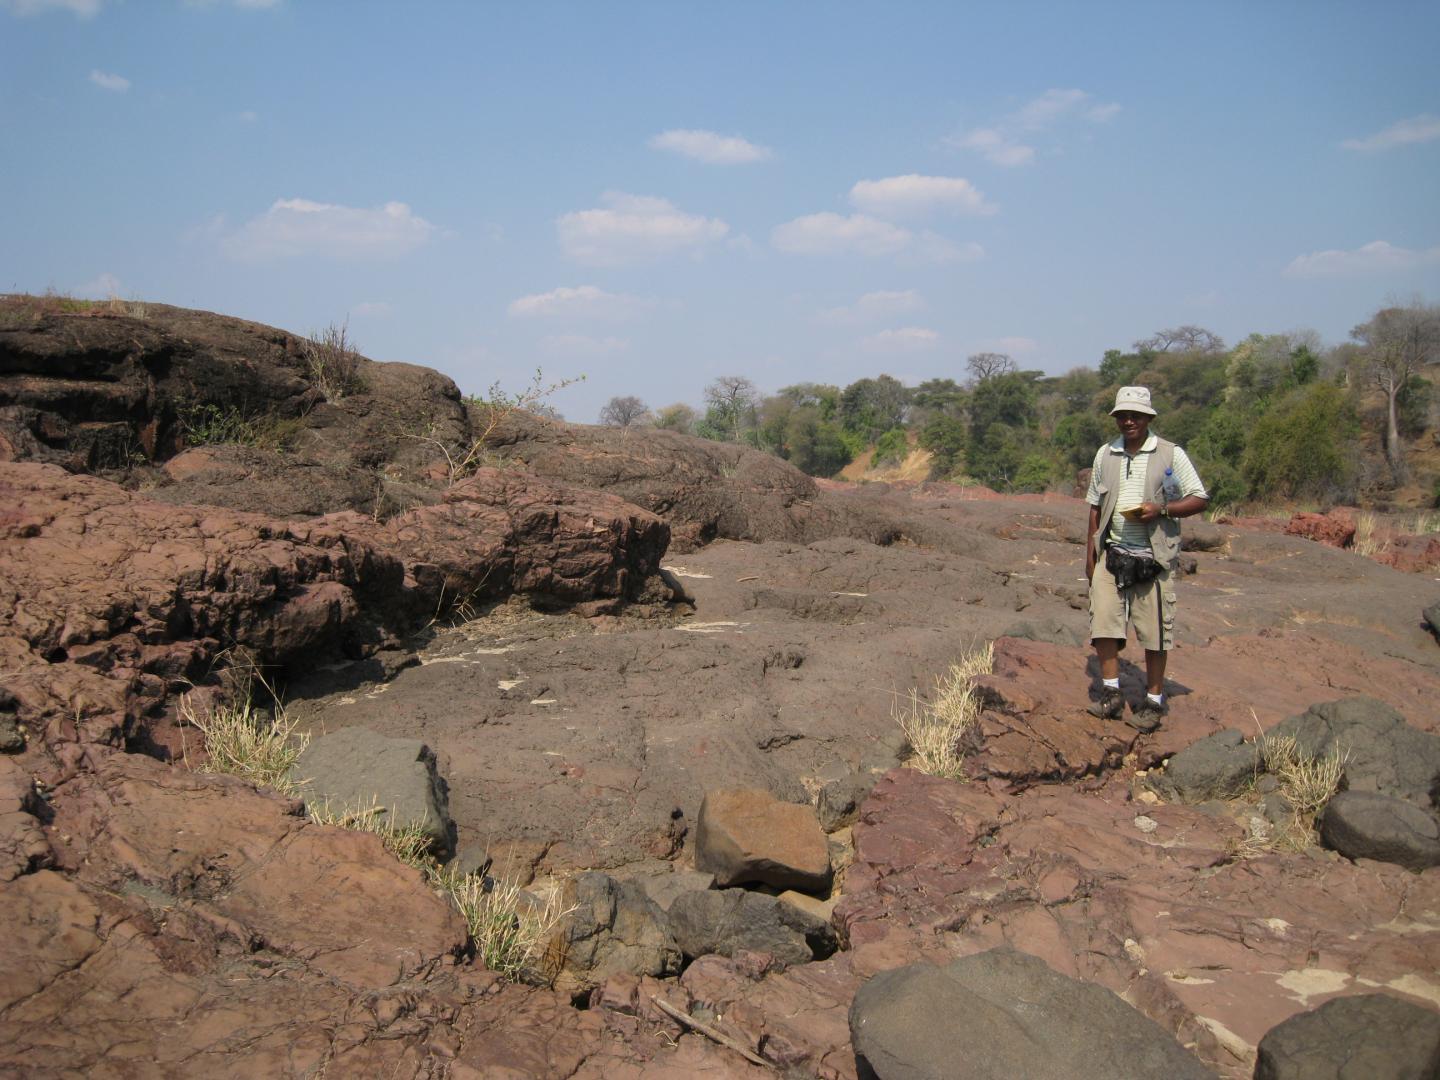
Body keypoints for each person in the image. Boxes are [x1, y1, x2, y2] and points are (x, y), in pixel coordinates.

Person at [1084, 386, 1208, 731]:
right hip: (1113, 553)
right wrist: (1090, 556)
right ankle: (1111, 694)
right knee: (1103, 626)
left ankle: (1153, 700)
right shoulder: (1106, 454)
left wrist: (1162, 510)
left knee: (1155, 634)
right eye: (1122, 416)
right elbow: (1095, 507)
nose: (1128, 421)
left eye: (1135, 415)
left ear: (1148, 418)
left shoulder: (1169, 454)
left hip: (1153, 558)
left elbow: (1199, 498)